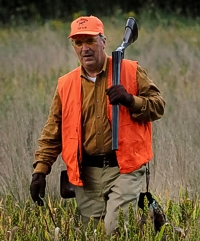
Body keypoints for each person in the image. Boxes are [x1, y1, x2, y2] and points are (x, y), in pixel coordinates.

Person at [30, 15, 165, 235]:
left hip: (125, 167)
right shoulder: (66, 84)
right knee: (93, 234)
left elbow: (158, 106)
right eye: (78, 42)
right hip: (87, 174)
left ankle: (146, 219)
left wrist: (130, 100)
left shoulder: (129, 70)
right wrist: (41, 171)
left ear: (103, 41)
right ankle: (149, 219)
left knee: (115, 228)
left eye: (90, 40)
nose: (85, 48)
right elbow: (53, 130)